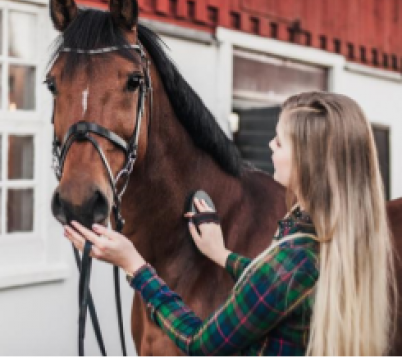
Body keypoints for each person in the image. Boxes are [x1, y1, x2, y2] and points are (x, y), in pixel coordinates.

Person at [64, 91, 397, 355]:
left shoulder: (294, 258)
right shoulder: (329, 238)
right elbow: (276, 286)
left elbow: (199, 343)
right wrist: (221, 254)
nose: (270, 145)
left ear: (309, 162)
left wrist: (134, 265)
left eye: (279, 142)